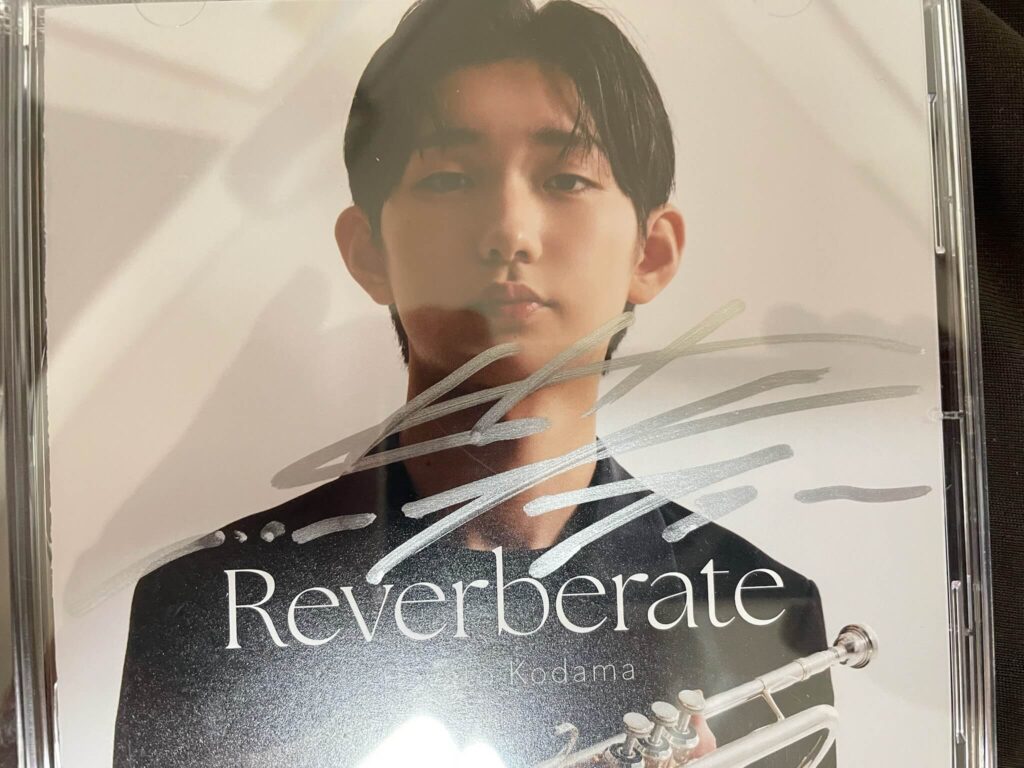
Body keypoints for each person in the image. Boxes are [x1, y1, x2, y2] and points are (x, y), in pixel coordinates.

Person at [114, 1, 834, 766]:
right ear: (369, 252)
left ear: (650, 253)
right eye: (450, 178)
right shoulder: (205, 614)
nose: (509, 232)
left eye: (566, 178)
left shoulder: (762, 612)